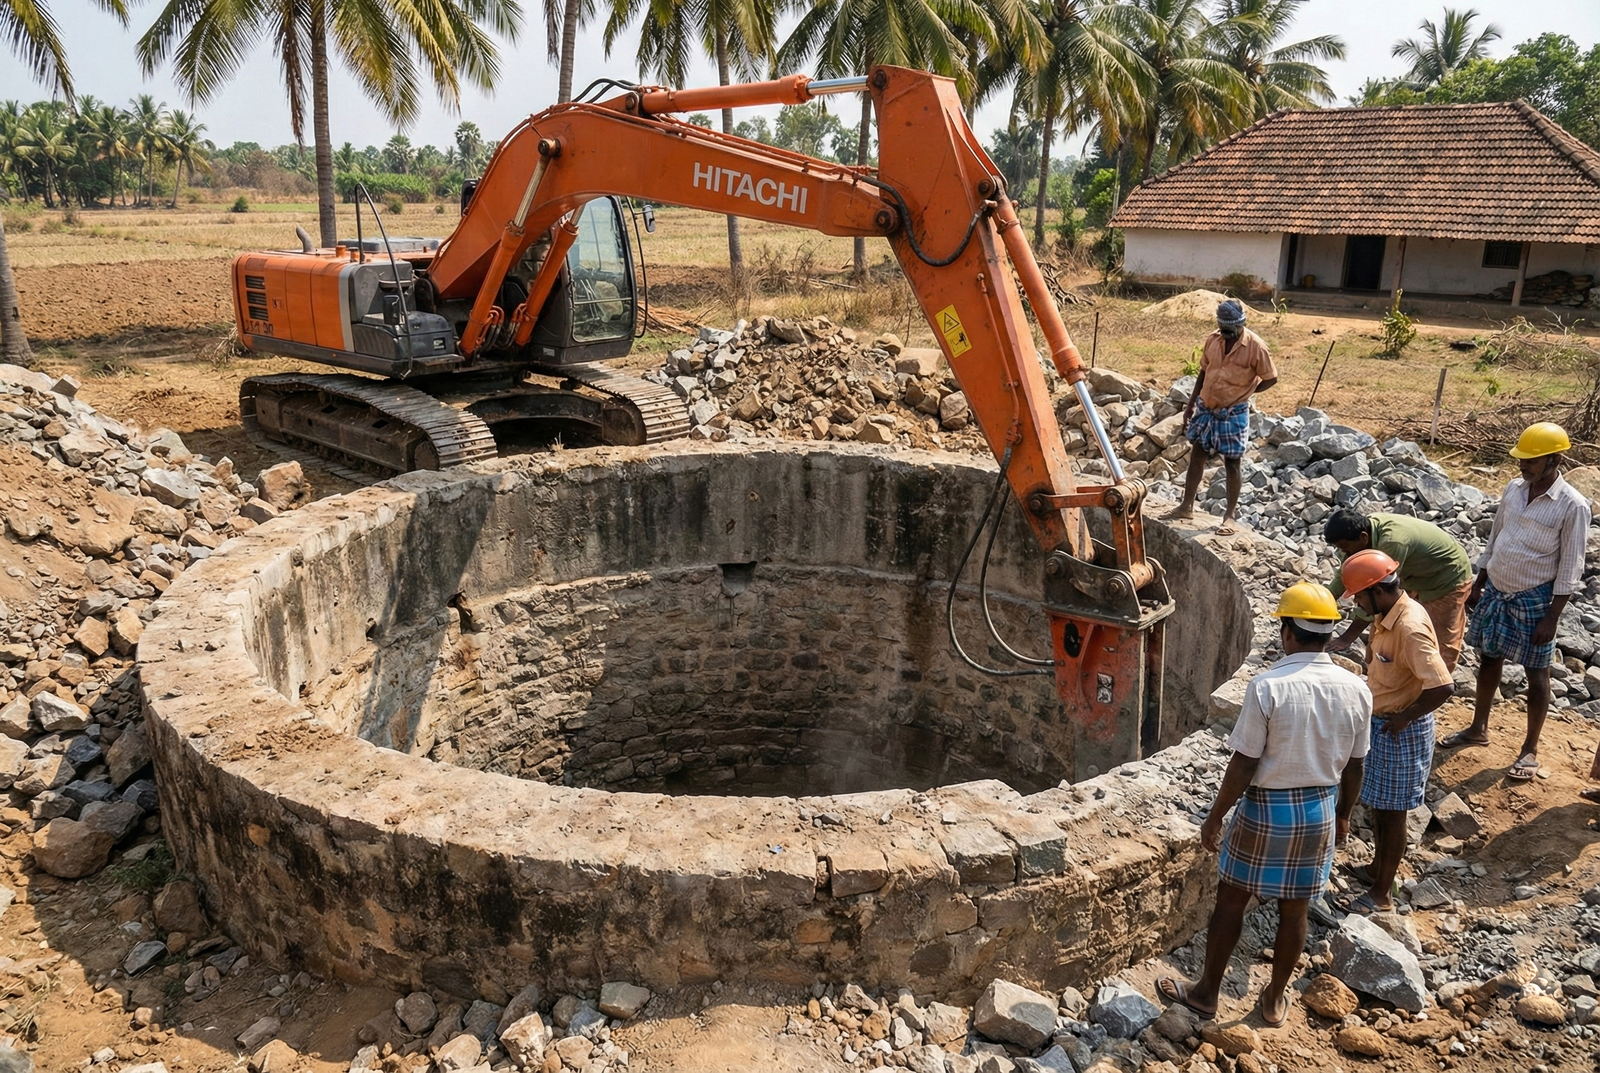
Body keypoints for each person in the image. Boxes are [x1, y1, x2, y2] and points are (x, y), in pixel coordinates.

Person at [1158, 583, 1370, 1028]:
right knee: (1295, 911)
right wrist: (1345, 813)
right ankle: (1274, 999)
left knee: (1231, 902)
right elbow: (1355, 766)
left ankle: (1206, 994)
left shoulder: (1268, 686)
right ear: (1330, 632)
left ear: (1288, 632)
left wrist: (1216, 815)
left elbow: (1245, 762)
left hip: (1265, 809)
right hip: (1318, 808)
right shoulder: (1357, 689)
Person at [1444, 422, 1591, 780]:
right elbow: (1497, 537)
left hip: (1535, 599)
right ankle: (1479, 727)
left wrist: (1552, 618)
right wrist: (1479, 581)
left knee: (1536, 674)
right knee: (1489, 657)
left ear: (1555, 460)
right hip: (1497, 587)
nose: (1523, 466)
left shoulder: (1572, 505)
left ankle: (1530, 750)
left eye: (1532, 460)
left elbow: (1571, 567)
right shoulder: (1513, 488)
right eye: (1521, 459)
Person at [1337, 549, 1453, 916]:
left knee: (1394, 813)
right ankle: (1376, 870)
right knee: (1379, 806)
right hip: (1383, 722)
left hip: (1401, 728)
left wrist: (1405, 718)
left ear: (1378, 590)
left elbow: (1442, 687)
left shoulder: (1409, 627)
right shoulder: (1386, 614)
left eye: (1358, 596)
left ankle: (1383, 893)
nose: (1356, 603)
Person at [1165, 299, 1279, 536]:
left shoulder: (1256, 347)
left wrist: (1246, 391)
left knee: (1232, 463)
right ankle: (1186, 506)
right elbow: (1203, 373)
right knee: (1197, 455)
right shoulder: (1213, 339)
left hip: (1233, 412)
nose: (1225, 335)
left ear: (1241, 325)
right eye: (1222, 329)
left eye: (1230, 331)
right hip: (1206, 407)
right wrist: (1190, 405)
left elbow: (1271, 378)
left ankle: (1229, 517)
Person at [1322, 508, 1474, 670]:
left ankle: (1437, 686)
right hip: (1411, 576)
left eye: (1345, 547)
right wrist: (1322, 601)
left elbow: (1373, 595)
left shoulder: (1392, 543)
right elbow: (1345, 573)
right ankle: (1383, 675)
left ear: (1363, 538)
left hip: (1445, 578)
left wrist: (1346, 638)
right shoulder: (1363, 530)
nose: (1344, 553)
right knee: (1384, 634)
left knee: (1439, 641)